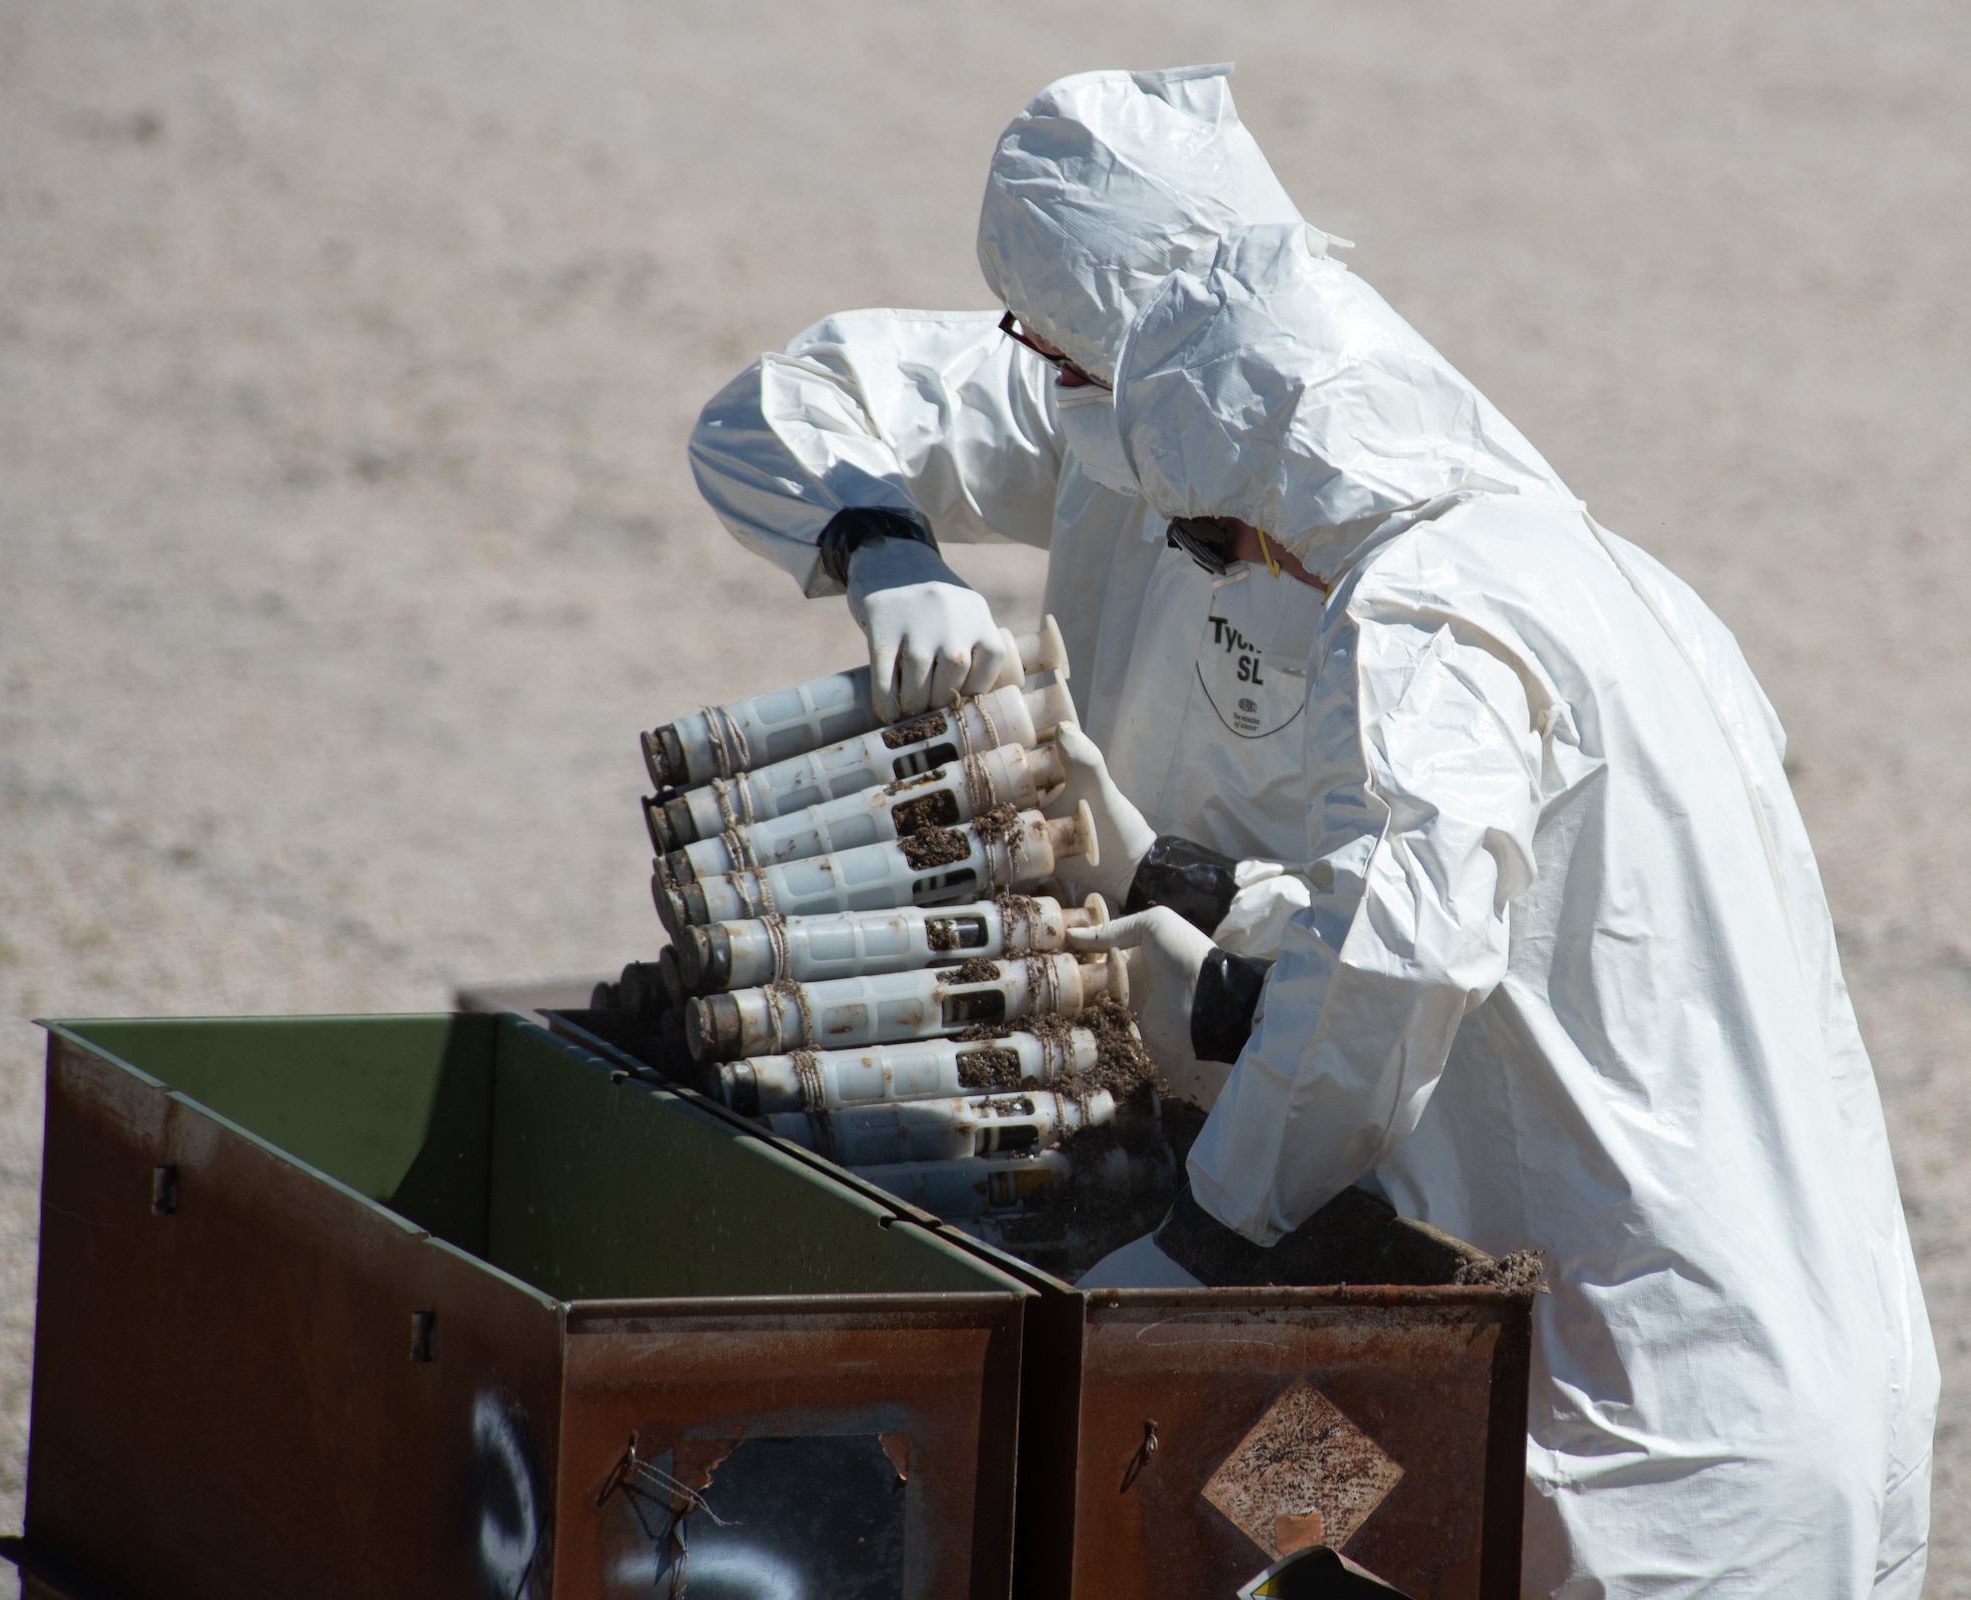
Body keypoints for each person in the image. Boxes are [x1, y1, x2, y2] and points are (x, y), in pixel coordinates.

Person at [1062, 219, 1939, 1596]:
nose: (1236, 574)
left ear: (1285, 487)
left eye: (1219, 538)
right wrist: (1217, 924)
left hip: (1643, 1437)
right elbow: (1565, 940)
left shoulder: (1423, 605)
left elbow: (1403, 958)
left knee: (1203, 1475)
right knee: (1270, 1502)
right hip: (1825, 1374)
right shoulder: (1619, 580)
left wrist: (1208, 1235)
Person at [687, 65, 1330, 953]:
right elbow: (778, 403)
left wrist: (1162, 876)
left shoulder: (1413, 549)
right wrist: (882, 546)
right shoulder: (1105, 392)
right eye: (1047, 350)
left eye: (1072, 358)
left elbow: (1414, 957)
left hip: (1280, 1058)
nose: (1058, 381)